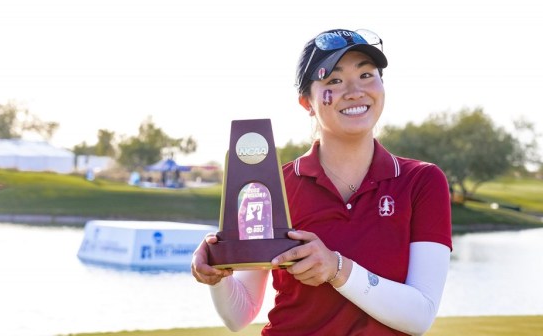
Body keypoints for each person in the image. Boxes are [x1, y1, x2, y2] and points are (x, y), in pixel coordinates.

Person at [191, 28, 453, 336]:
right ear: (307, 102)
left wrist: (337, 269)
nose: (355, 91)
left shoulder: (421, 181)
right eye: (334, 80)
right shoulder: (274, 187)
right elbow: (239, 314)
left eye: (367, 75)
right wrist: (218, 271)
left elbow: (419, 315)